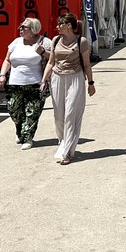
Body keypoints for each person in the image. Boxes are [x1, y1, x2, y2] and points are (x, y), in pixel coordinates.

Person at [42, 13, 96, 165]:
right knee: (59, 116)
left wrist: (91, 83)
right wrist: (43, 80)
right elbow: (51, 62)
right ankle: (63, 141)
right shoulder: (56, 40)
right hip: (57, 78)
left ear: (69, 26)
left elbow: (86, 64)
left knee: (70, 115)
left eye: (60, 24)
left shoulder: (81, 41)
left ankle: (67, 152)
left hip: (75, 78)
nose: (57, 26)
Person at [0, 17, 52, 150]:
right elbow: (7, 60)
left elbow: (53, 59)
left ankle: (28, 137)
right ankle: (20, 130)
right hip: (15, 83)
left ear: (33, 30)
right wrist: (2, 74)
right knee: (13, 109)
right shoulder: (16, 42)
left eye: (24, 27)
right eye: (20, 27)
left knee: (32, 112)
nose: (20, 29)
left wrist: (43, 52)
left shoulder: (44, 42)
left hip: (35, 83)